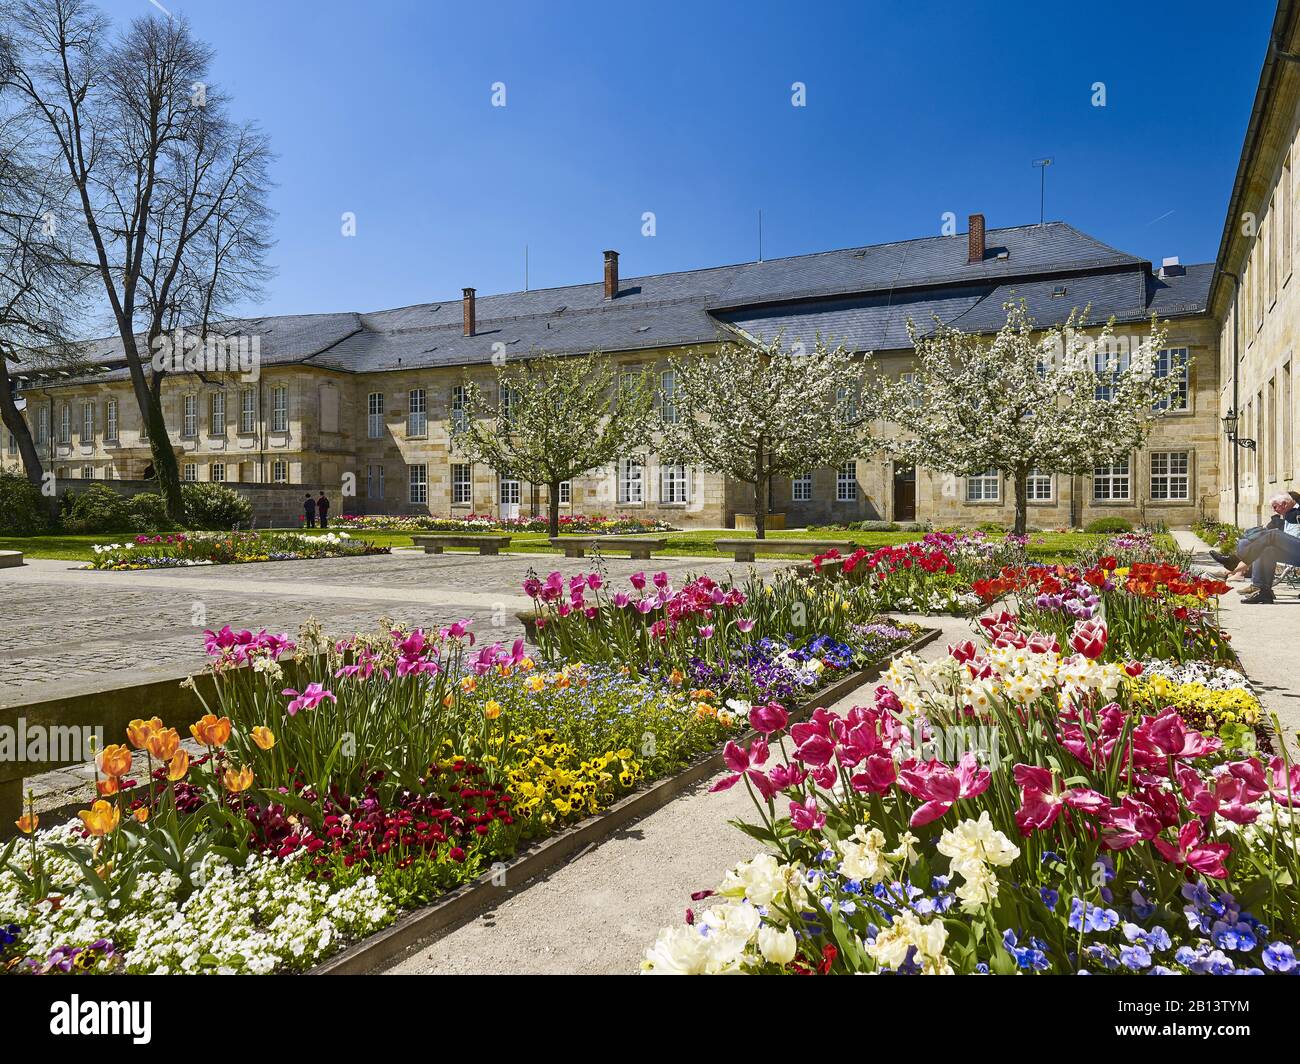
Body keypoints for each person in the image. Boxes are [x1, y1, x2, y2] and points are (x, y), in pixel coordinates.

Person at [1221, 491, 1300, 604]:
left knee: (1273, 535)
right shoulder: (1290, 512)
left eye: (1275, 507)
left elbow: (1293, 517)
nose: (1274, 510)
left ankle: (1236, 560)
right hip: (1295, 552)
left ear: (1284, 504)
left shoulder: (1296, 510)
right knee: (1267, 549)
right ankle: (1264, 591)